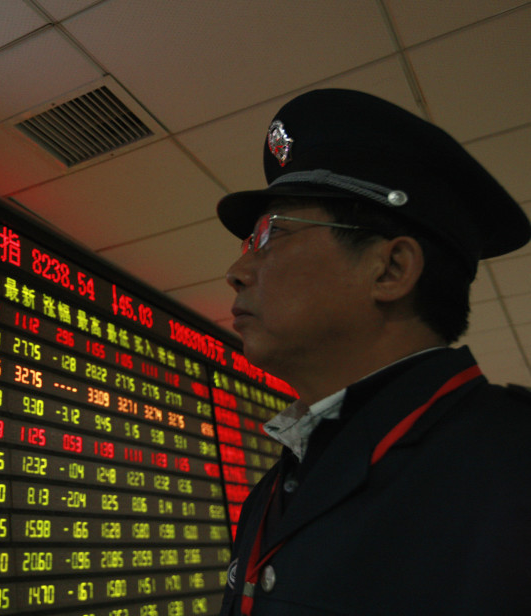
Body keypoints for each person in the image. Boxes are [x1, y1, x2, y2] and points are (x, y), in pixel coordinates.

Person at [216, 89, 531, 614]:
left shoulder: (514, 468)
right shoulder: (274, 490)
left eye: (272, 235)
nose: (237, 272)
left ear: (390, 270)